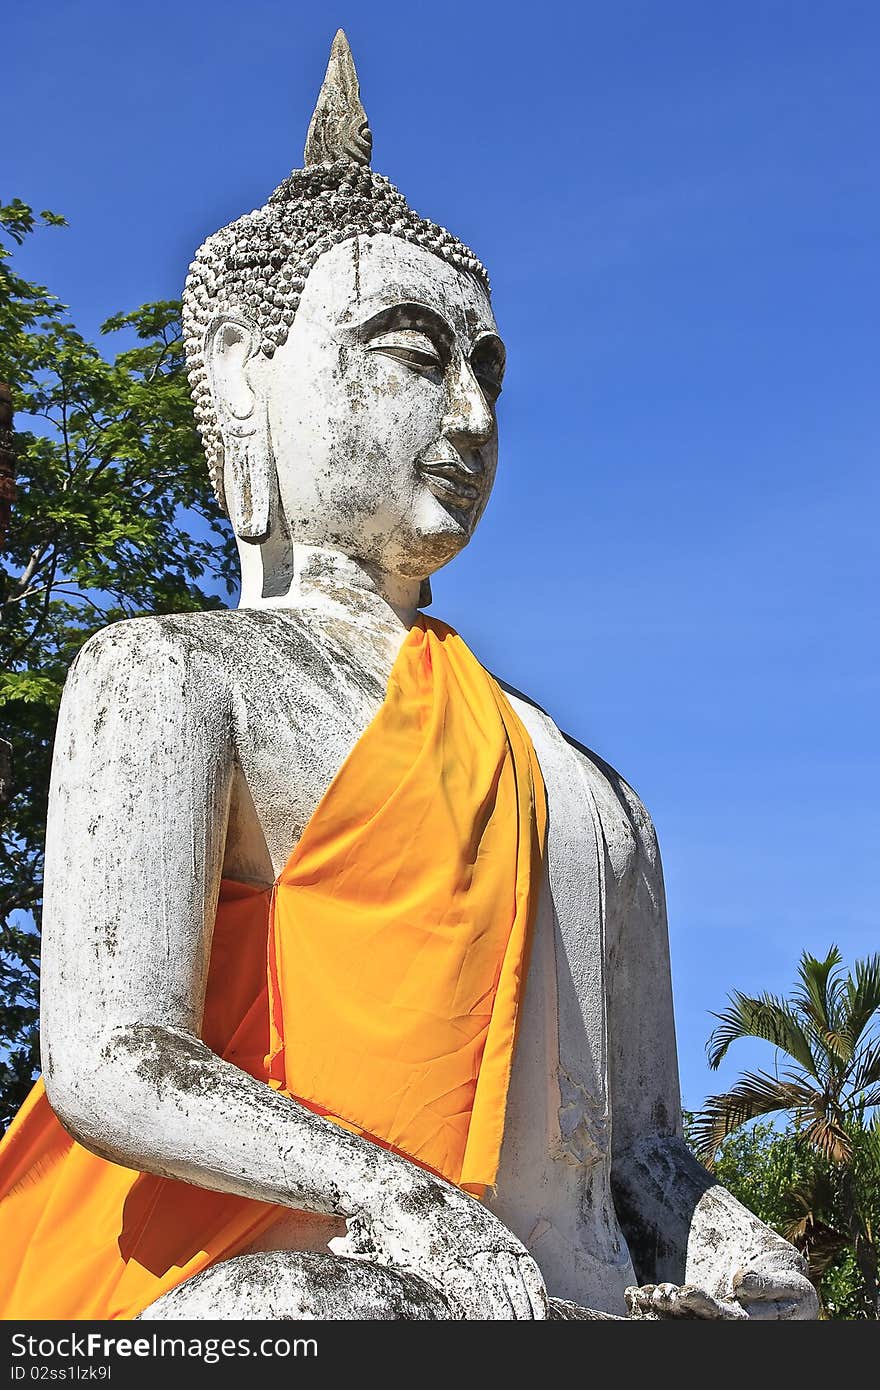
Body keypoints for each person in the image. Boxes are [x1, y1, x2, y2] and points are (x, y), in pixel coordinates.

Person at [0, 32, 817, 1321]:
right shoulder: (174, 673)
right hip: (296, 1273)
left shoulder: (594, 790)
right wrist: (396, 1196)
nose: (473, 415)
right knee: (296, 1311)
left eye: (489, 370)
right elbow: (110, 1054)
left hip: (557, 1301)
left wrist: (732, 1249)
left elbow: (645, 1154)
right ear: (245, 391)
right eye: (415, 354)